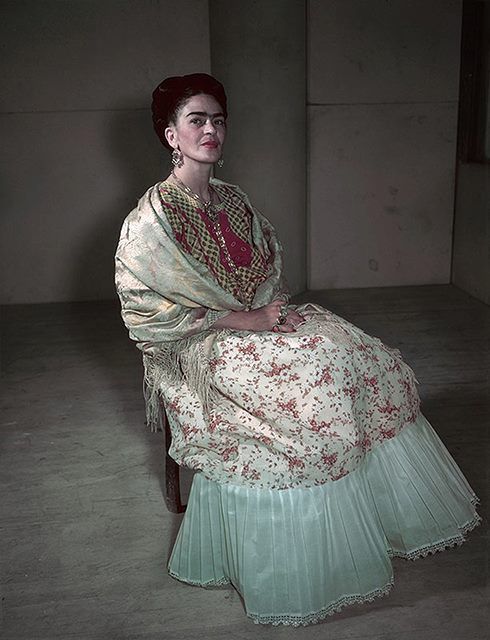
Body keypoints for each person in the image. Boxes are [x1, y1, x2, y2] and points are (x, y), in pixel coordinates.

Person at [114, 73, 480, 626]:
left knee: (355, 352)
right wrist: (245, 320)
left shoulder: (233, 201)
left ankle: (374, 521)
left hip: (255, 322)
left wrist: (273, 313)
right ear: (170, 134)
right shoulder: (152, 220)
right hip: (195, 342)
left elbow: (261, 272)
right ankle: (301, 558)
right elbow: (145, 314)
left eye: (218, 120)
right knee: (309, 384)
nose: (211, 130)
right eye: (197, 120)